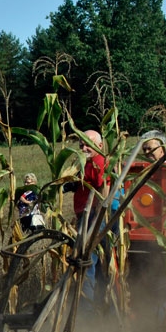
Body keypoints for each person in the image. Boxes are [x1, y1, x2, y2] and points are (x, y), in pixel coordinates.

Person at [65, 130, 109, 307]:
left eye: (87, 144)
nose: (83, 147)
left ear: (99, 146)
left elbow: (104, 189)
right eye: (81, 144)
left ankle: (87, 310)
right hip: (86, 215)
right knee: (96, 264)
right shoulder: (85, 163)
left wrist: (97, 217)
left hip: (94, 218)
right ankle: (98, 305)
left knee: (86, 261)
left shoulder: (100, 162)